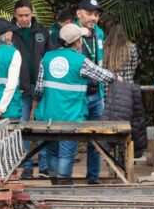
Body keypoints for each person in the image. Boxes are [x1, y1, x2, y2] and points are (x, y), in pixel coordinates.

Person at [33, 24, 120, 184]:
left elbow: (38, 90)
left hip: (48, 114)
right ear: (78, 42)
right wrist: (116, 77)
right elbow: (102, 74)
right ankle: (64, 181)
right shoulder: (80, 61)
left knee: (51, 149)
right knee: (66, 150)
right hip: (70, 114)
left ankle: (54, 180)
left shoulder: (47, 57)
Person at [11, 0, 52, 179]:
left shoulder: (42, 31)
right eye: (20, 16)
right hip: (20, 88)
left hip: (41, 86)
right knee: (22, 127)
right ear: (15, 15)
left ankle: (44, 166)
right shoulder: (10, 33)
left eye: (27, 15)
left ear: (32, 14)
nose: (24, 19)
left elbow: (50, 56)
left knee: (43, 126)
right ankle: (26, 165)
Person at [75, 0, 107, 183]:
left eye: (96, 14)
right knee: (68, 136)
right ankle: (63, 178)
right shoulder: (70, 33)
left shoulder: (99, 34)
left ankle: (93, 177)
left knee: (95, 138)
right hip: (77, 96)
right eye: (89, 13)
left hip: (96, 94)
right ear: (79, 14)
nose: (93, 18)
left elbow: (99, 63)